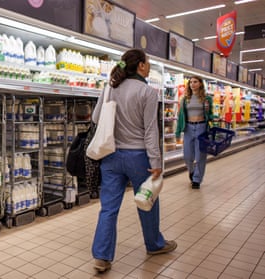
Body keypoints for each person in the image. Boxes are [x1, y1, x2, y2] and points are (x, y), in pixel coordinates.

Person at [91, 49, 177, 273]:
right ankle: (154, 244)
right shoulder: (147, 92)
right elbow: (150, 132)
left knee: (108, 208)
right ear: (140, 65)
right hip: (138, 156)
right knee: (147, 200)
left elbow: (95, 118)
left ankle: (102, 257)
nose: (148, 67)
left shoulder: (110, 87)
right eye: (147, 63)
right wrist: (156, 162)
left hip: (110, 155)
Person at [175, 76, 213, 189]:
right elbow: (181, 117)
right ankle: (191, 171)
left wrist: (213, 117)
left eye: (195, 82)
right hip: (188, 128)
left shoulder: (206, 99)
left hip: (201, 127)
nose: (192, 84)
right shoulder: (185, 99)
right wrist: (177, 132)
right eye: (191, 82)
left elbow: (209, 114)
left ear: (200, 84)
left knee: (200, 155)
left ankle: (197, 179)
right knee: (187, 155)